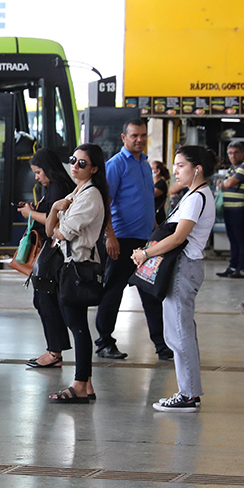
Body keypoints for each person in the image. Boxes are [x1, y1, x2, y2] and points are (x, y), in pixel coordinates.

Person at [129, 145, 217, 412]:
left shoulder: (195, 198)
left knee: (180, 332)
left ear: (197, 169)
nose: (175, 170)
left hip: (183, 268)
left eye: (181, 165)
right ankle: (188, 391)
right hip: (183, 267)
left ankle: (188, 394)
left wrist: (146, 253)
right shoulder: (194, 194)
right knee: (179, 331)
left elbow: (178, 238)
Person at [92, 119, 173, 361]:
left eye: (143, 135)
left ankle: (162, 345)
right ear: (123, 138)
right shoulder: (116, 165)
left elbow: (147, 202)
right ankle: (104, 342)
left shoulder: (145, 164)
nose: (139, 139)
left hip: (146, 242)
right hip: (122, 241)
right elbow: (105, 203)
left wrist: (156, 231)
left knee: (152, 293)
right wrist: (110, 237)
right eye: (134, 135)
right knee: (113, 292)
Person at [46, 145, 108, 404]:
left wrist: (57, 214)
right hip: (70, 265)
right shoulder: (78, 191)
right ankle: (87, 383)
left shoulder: (90, 196)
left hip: (78, 267)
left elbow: (61, 233)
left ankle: (79, 384)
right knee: (78, 325)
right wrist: (54, 210)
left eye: (82, 163)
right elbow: (52, 230)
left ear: (94, 168)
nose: (74, 166)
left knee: (78, 327)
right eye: (73, 160)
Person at [18, 148, 76, 369]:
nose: (36, 177)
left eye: (38, 172)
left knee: (45, 299)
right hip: (50, 253)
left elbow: (57, 219)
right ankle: (54, 349)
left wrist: (30, 214)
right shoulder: (53, 187)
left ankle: (54, 352)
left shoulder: (59, 188)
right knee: (43, 299)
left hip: (54, 253)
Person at [217, 141, 244, 278]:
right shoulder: (232, 169)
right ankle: (232, 266)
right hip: (229, 207)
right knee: (232, 238)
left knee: (240, 238)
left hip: (239, 208)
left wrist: (223, 184)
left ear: (242, 154)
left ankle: (241, 267)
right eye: (230, 153)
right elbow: (224, 185)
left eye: (235, 153)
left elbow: (228, 183)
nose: (232, 156)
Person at [151, 159, 170, 224]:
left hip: (157, 216)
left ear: (157, 171)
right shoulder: (152, 183)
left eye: (151, 168)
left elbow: (150, 195)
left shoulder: (161, 184)